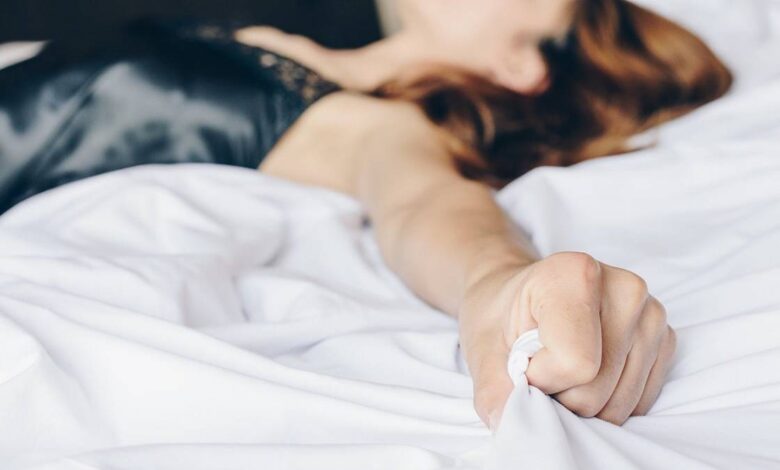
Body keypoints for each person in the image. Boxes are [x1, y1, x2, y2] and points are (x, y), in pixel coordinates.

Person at [0, 0, 732, 432]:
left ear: (523, 68)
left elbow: (423, 202)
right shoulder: (297, 45)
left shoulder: (380, 126)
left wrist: (500, 284)